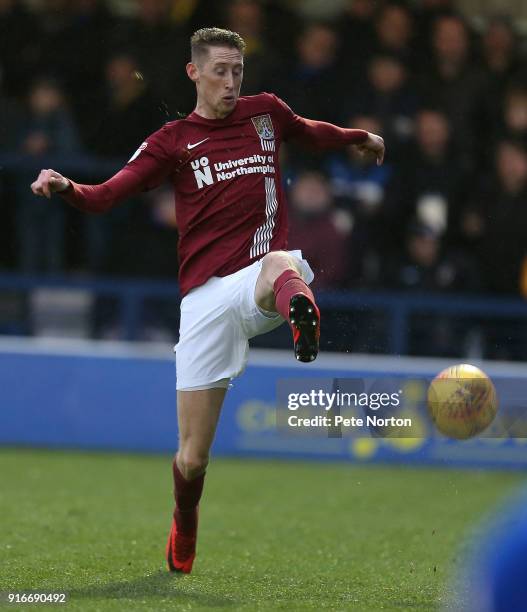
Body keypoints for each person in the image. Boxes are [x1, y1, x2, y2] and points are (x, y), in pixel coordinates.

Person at [30, 27, 384, 574]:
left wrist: (355, 136)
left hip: (258, 278)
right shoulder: (171, 141)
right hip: (204, 302)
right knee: (192, 458)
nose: (231, 81)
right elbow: (108, 195)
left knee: (280, 263)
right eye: (220, 70)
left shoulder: (264, 113)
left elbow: (310, 130)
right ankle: (184, 525)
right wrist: (66, 187)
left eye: (238, 70)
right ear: (194, 72)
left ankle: (300, 318)